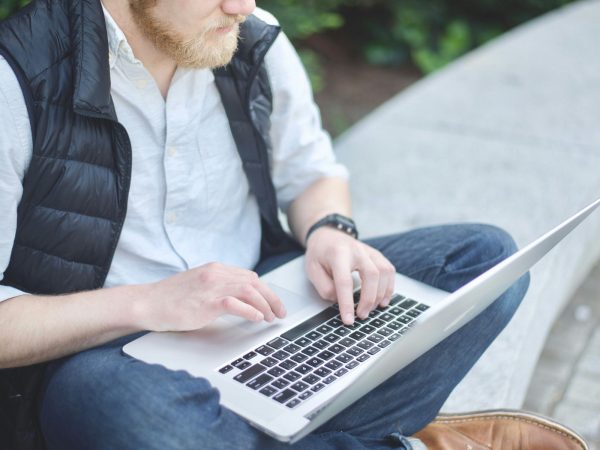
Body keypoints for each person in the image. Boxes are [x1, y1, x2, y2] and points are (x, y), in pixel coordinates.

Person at [0, 1, 585, 449]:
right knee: (129, 413)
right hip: (110, 354)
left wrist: (331, 231)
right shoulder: (16, 78)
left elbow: (312, 173)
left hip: (265, 306)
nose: (242, 5)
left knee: (486, 262)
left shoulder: (245, 34)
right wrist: (148, 303)